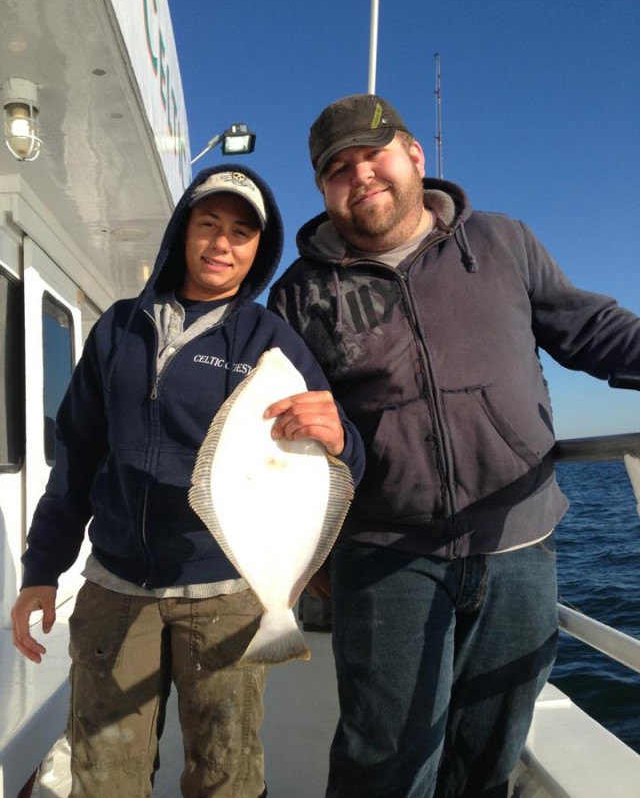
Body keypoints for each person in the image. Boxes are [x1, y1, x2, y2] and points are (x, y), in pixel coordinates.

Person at [267, 93, 640, 798]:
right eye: (337, 169)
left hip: (519, 541)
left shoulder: (502, 242)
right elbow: (278, 433)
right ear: (323, 190)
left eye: (371, 155)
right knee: (385, 759)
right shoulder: (299, 294)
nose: (360, 175)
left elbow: (590, 329)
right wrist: (311, 552)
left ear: (414, 155)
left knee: (489, 748)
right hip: (385, 555)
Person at [11, 164, 365, 798]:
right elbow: (78, 457)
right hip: (116, 582)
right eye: (209, 224)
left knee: (225, 768)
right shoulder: (119, 329)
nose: (222, 244)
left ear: (259, 249)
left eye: (241, 232)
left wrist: (342, 438)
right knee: (103, 769)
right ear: (182, 231)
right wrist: (42, 569)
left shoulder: (269, 340)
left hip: (227, 588)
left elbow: (338, 458)